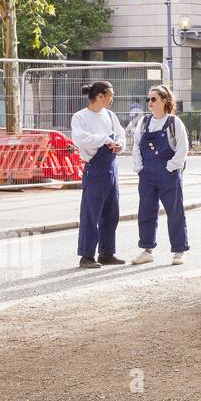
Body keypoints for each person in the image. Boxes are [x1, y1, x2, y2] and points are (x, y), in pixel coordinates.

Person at [131, 85, 191, 265]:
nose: (150, 103)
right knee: (146, 211)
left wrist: (171, 167)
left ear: (164, 101)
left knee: (175, 212)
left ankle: (179, 251)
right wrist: (139, 168)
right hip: (147, 174)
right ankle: (147, 250)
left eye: (154, 99)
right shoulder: (143, 122)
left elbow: (183, 148)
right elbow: (135, 146)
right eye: (148, 99)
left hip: (168, 174)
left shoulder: (174, 122)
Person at [70, 81, 126, 269]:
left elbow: (121, 135)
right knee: (90, 213)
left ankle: (107, 253)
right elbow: (79, 139)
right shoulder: (80, 117)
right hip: (94, 168)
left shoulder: (110, 115)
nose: (112, 98)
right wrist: (103, 139)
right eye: (110, 95)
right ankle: (86, 255)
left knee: (112, 213)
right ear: (100, 96)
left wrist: (119, 144)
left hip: (111, 166)